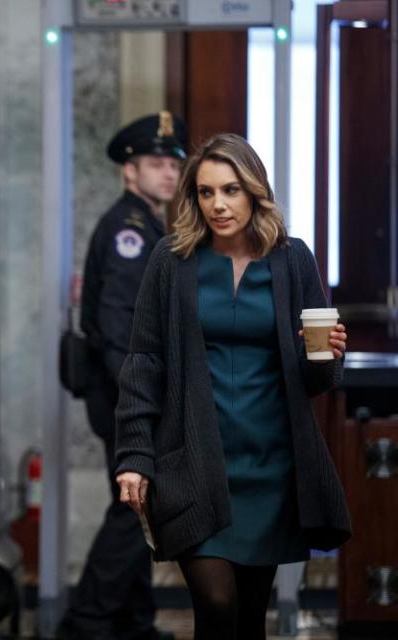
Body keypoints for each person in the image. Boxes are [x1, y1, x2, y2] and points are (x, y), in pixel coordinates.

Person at [115, 133, 351, 640]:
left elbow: (315, 380)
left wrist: (329, 355)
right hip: (193, 461)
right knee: (216, 605)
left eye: (230, 190)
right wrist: (135, 455)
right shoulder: (171, 260)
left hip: (270, 465)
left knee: (247, 618)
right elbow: (143, 362)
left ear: (254, 192)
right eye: (205, 192)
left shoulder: (293, 261)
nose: (218, 204)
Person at [59, 111, 186, 640]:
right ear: (128, 170)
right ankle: (87, 621)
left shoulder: (146, 222)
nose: (169, 174)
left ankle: (133, 622)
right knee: (136, 507)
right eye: (156, 163)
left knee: (138, 510)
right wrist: (141, 401)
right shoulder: (130, 231)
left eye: (173, 164)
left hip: (123, 392)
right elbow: (118, 329)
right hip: (123, 396)